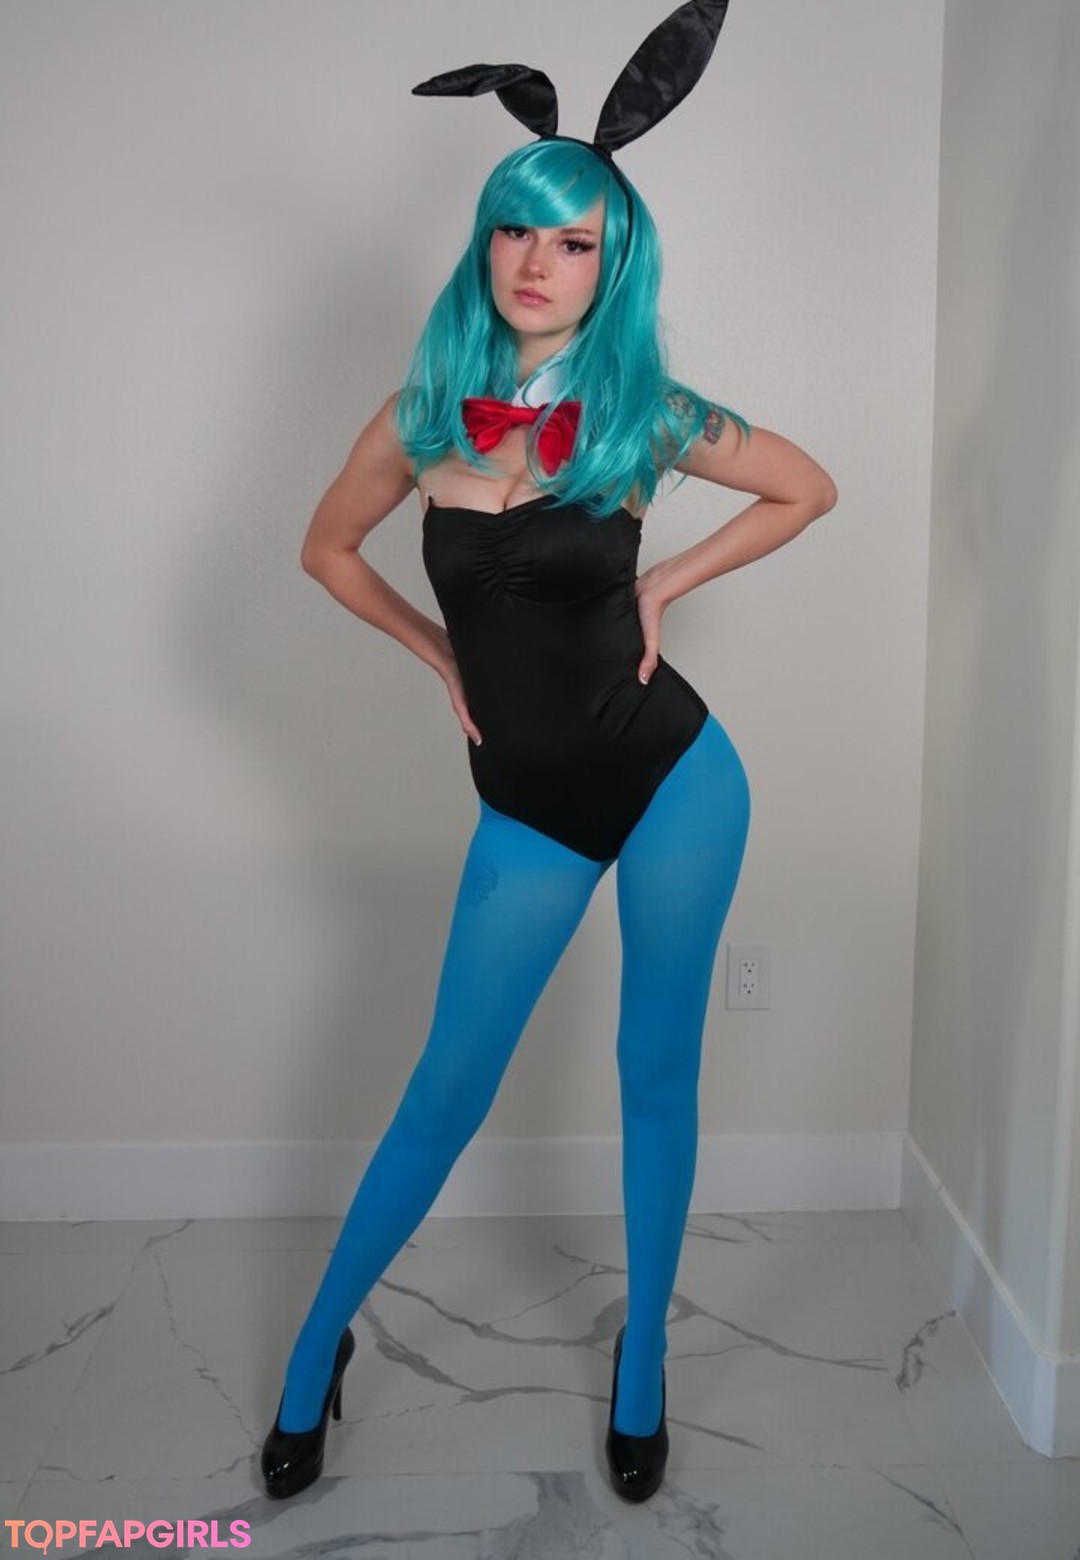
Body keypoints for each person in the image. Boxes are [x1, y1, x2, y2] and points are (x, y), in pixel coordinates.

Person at [261, 6, 837, 1507]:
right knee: (444, 1090)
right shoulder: (422, 415)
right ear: (487, 245)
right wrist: (439, 651)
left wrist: (669, 580)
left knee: (655, 1077)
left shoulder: (641, 410)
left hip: (675, 782)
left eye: (574, 243)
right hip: (528, 804)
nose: (538, 263)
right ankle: (316, 1350)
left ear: (610, 263)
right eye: (520, 232)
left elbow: (806, 487)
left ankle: (643, 1369)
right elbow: (326, 551)